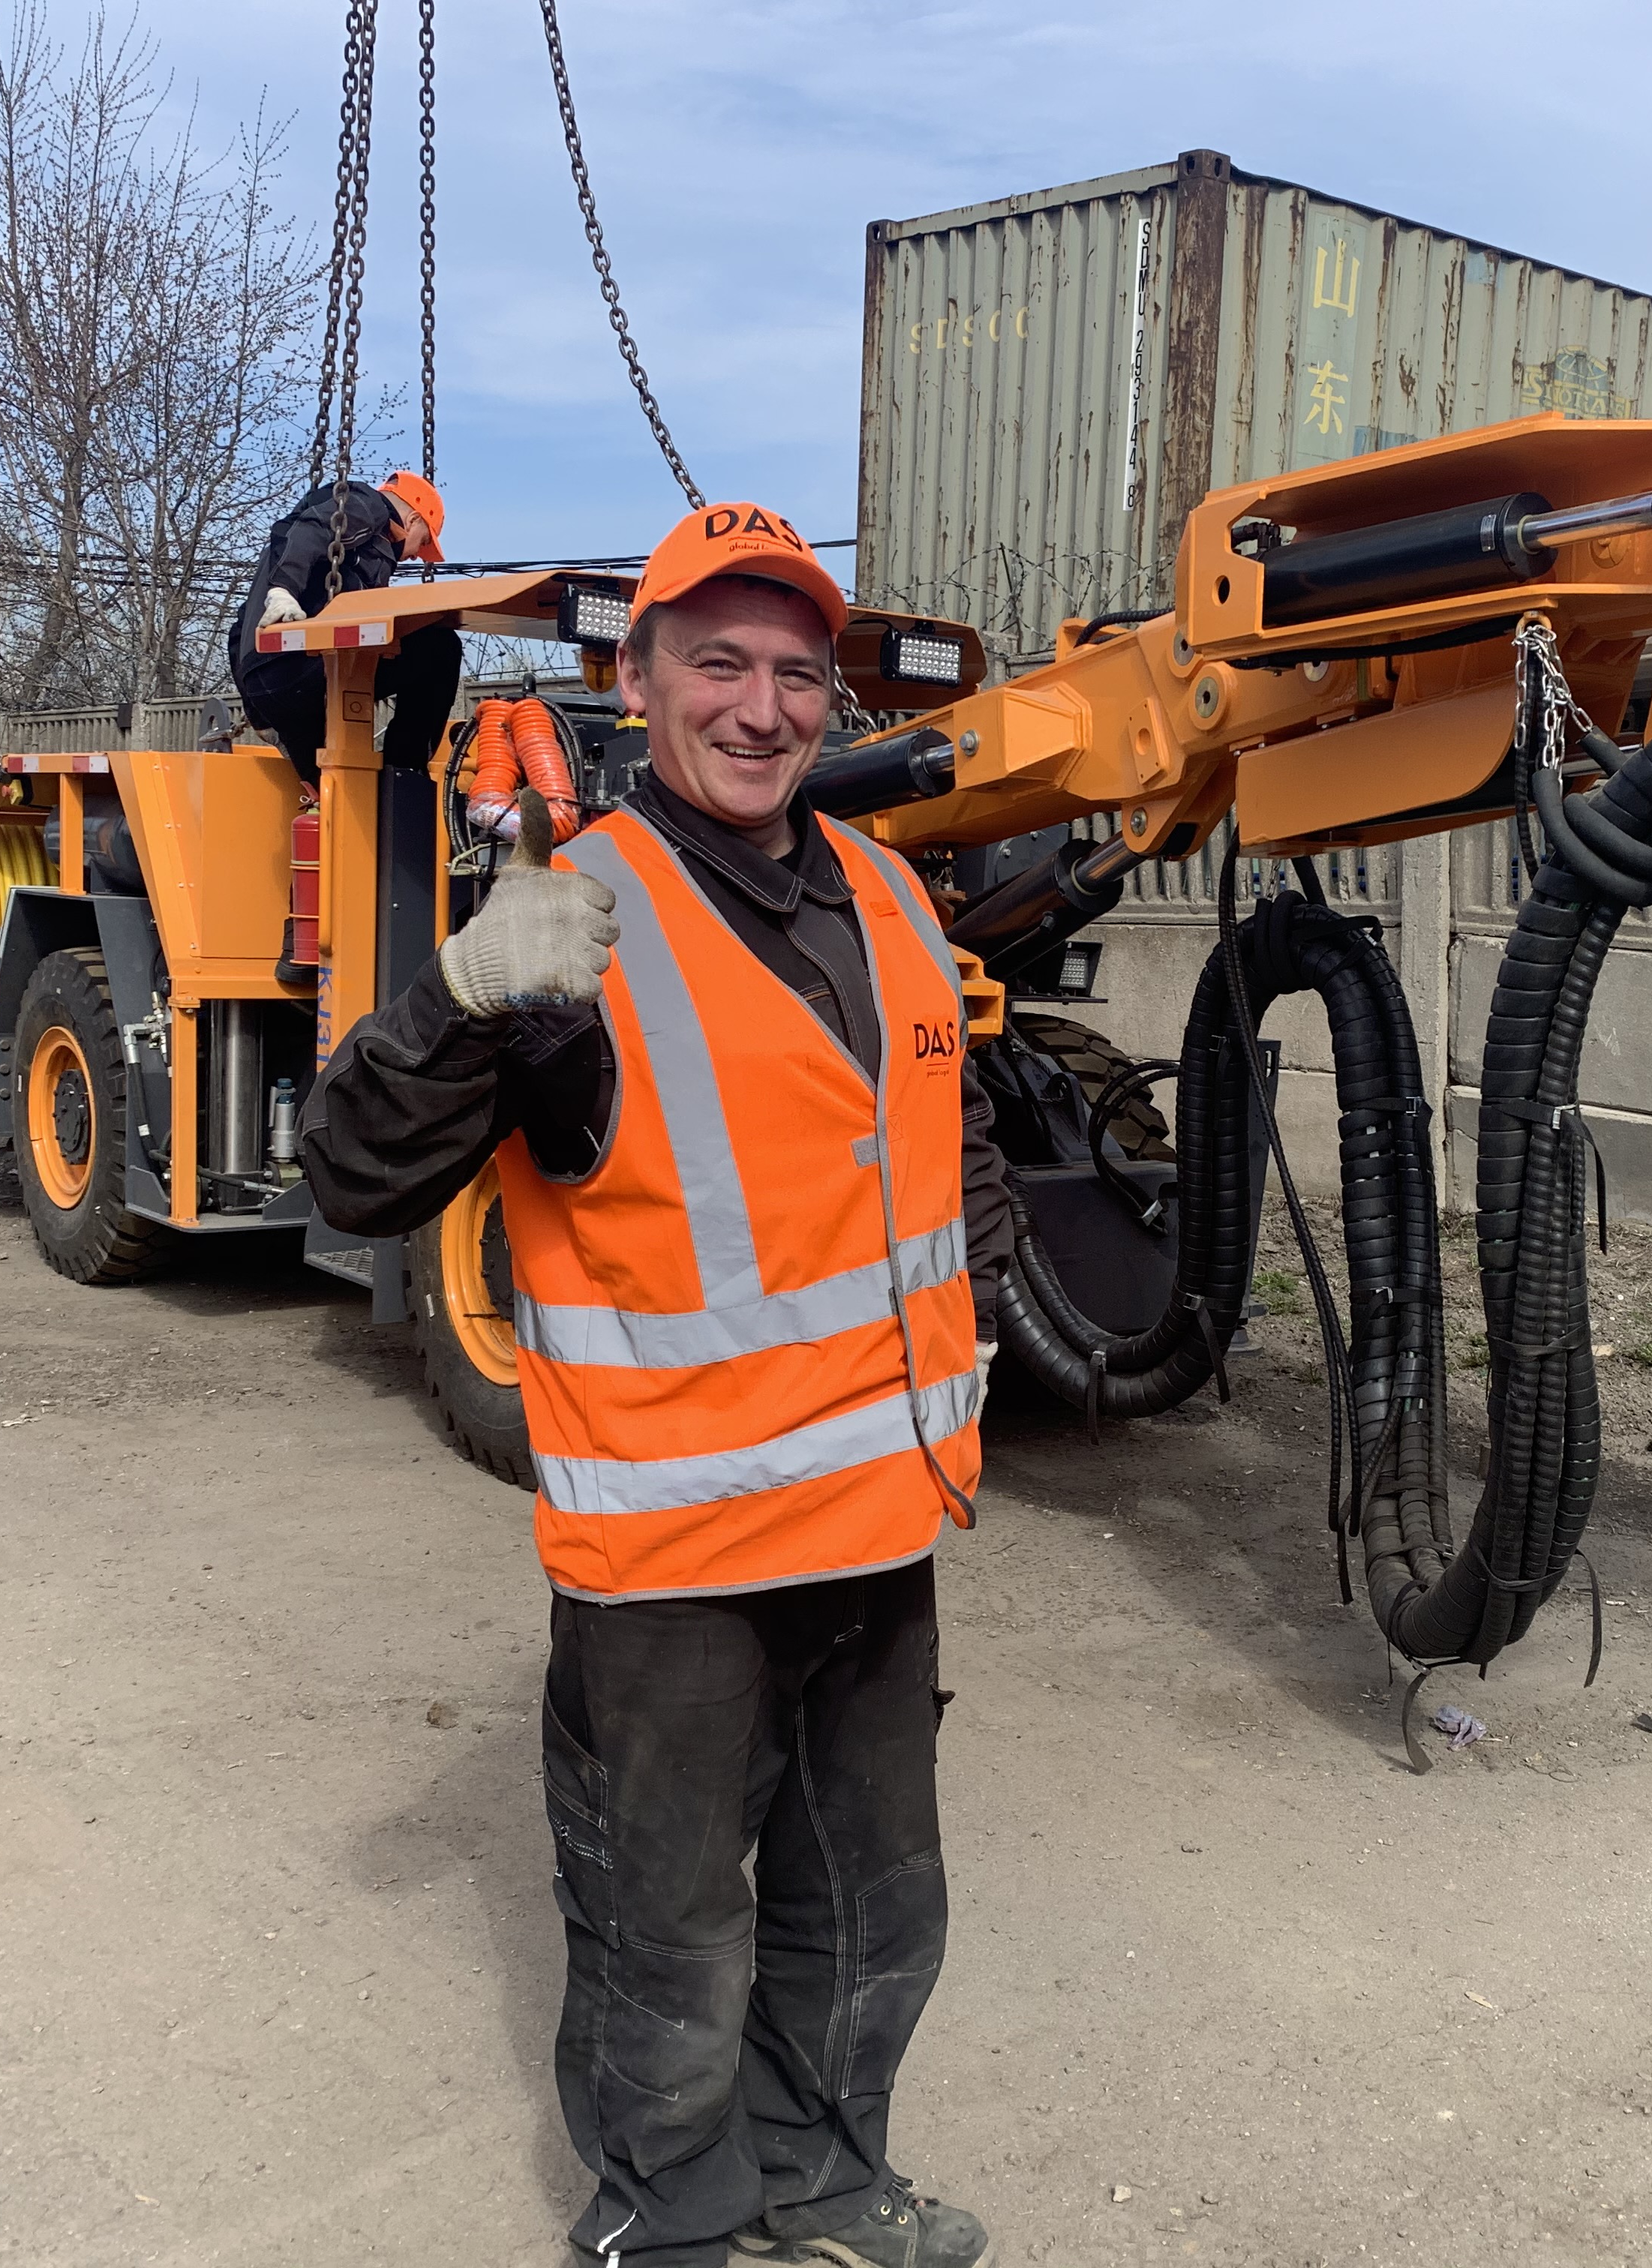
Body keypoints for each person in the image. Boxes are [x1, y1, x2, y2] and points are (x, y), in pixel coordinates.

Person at [301, 502, 1011, 2268]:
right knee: (668, 1936)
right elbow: (353, 1174)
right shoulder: (578, 918)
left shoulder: (888, 895)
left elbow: (949, 1146)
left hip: (878, 1529)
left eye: (797, 674)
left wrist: (991, 1317)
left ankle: (823, 2178)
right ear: (638, 680)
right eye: (719, 664)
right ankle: (674, 2226)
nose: (764, 708)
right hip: (678, 1553)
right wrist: (466, 998)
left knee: (876, 1910)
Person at [227, 468, 462, 783]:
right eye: (423, 542)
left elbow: (239, 632)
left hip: (273, 688)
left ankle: (381, 796)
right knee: (441, 647)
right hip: (306, 668)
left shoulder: (324, 553)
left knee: (338, 792)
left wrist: (261, 715)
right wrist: (283, 589)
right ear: (413, 520)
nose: (416, 556)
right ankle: (404, 774)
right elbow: (312, 529)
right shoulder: (368, 505)